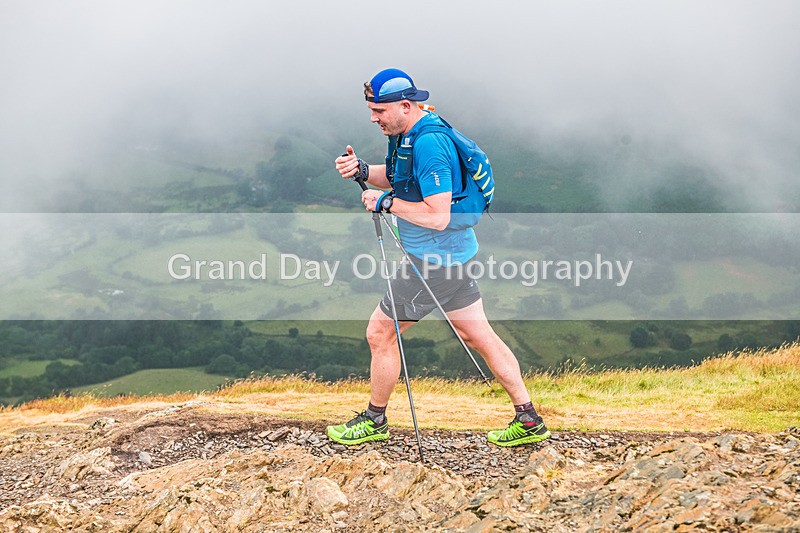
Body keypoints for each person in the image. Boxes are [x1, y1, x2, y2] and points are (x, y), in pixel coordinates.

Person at [326, 68, 550, 447]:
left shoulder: (429, 144)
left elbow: (438, 214)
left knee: (380, 333)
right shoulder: (407, 134)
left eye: (379, 110)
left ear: (405, 105)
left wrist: (386, 203)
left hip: (433, 263)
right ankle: (528, 419)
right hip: (454, 258)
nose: (373, 117)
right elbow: (401, 179)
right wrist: (364, 171)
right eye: (371, 109)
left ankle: (374, 420)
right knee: (478, 334)